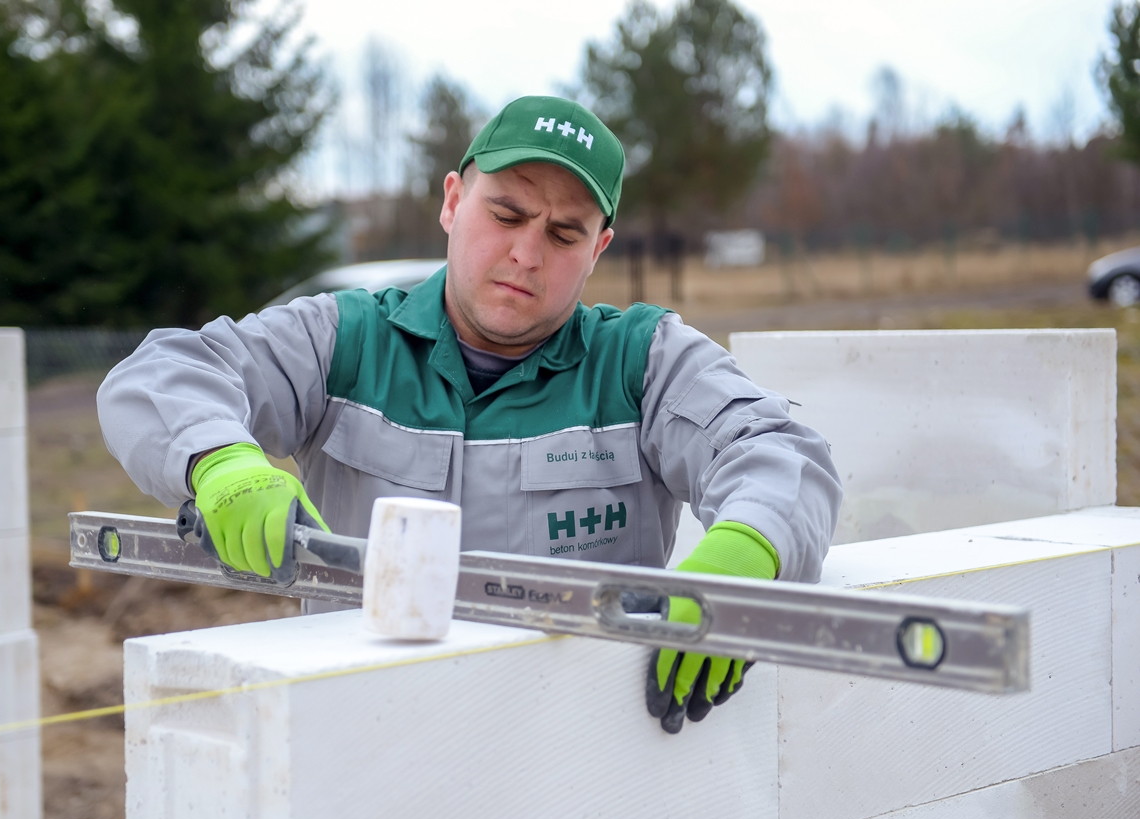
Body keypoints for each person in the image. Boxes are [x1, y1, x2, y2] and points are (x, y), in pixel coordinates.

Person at [97, 95, 842, 734]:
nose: (525, 253)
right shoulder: (346, 343)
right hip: (358, 742)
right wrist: (219, 462)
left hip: (586, 761)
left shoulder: (641, 363)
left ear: (599, 249)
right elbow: (164, 374)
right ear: (453, 201)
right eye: (507, 213)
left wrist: (750, 552)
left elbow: (779, 452)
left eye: (562, 233)